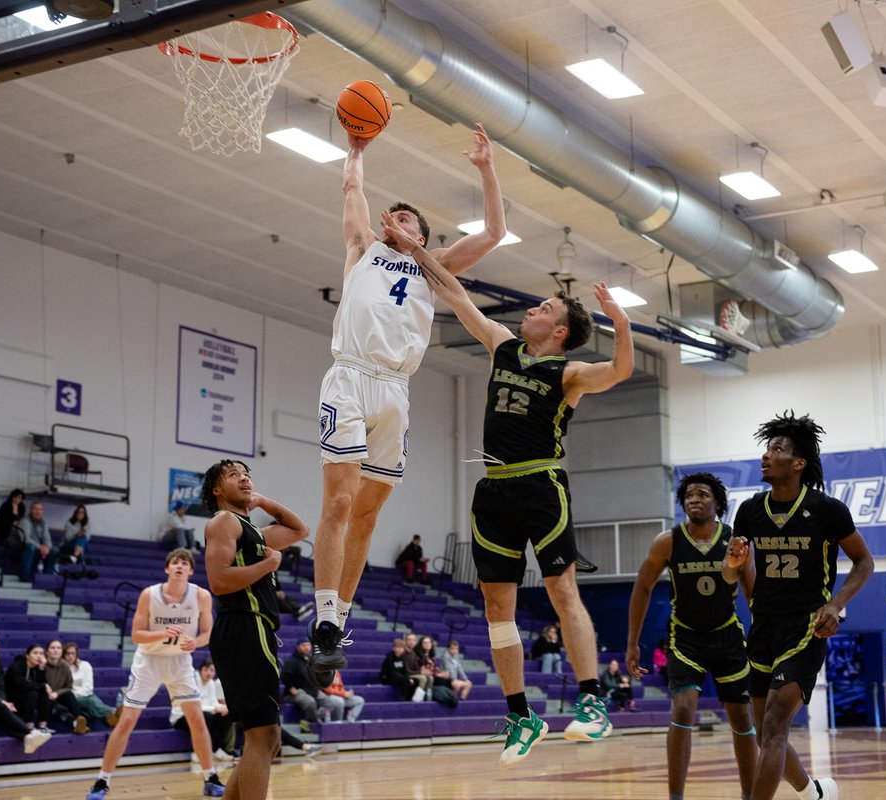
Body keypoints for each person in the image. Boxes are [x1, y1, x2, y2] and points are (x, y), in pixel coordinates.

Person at [382, 211, 635, 766]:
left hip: (541, 484)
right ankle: (522, 715)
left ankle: (593, 703)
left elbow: (619, 371)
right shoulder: (501, 345)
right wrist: (414, 248)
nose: (533, 310)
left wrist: (620, 322)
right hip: (493, 489)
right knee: (496, 605)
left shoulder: (569, 374)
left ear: (560, 331)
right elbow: (453, 292)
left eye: (544, 308)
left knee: (562, 590)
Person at [308, 123, 505, 684]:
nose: (397, 221)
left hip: (396, 390)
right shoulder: (362, 247)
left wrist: (487, 169)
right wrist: (355, 149)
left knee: (368, 515)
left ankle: (338, 624)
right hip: (350, 378)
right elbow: (352, 191)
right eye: (392, 216)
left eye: (408, 219)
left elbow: (494, 232)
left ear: (420, 234)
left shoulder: (431, 265)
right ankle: (323, 619)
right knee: (340, 501)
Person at [724, 411, 876, 800]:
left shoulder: (827, 509)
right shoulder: (750, 511)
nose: (766, 455)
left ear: (798, 463)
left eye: (777, 449)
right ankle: (814, 793)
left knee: (776, 725)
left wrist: (836, 605)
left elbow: (864, 562)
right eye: (767, 448)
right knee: (765, 734)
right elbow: (734, 572)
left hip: (806, 627)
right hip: (763, 627)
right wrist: (734, 567)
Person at [625, 472, 757, 800]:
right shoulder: (667, 542)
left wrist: (765, 636)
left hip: (727, 635)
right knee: (683, 708)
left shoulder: (734, 541)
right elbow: (642, 587)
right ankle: (676, 797)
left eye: (702, 494)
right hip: (685, 638)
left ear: (718, 503)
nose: (694, 499)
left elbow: (753, 592)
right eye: (689, 495)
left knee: (742, 715)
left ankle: (750, 794)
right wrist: (632, 642)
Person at [201, 458, 311, 800]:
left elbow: (299, 530)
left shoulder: (254, 533)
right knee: (263, 736)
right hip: (244, 626)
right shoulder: (224, 521)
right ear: (217, 490)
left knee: (267, 739)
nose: (244, 479)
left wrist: (261, 501)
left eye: (247, 475)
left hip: (254, 629)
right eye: (234, 475)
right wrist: (268, 565)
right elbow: (219, 581)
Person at [84, 548, 224, 800]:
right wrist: (162, 633)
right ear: (167, 568)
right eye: (175, 562)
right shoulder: (149, 594)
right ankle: (102, 780)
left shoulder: (202, 596)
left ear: (191, 571)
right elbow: (136, 635)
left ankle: (210, 777)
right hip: (149, 661)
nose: (179, 566)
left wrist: (196, 642)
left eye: (184, 563)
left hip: (180, 661)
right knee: (127, 720)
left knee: (197, 718)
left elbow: (207, 633)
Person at [170, 658, 235, 763]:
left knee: (225, 715)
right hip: (181, 717)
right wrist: (214, 708)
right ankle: (198, 752)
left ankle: (215, 749)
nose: (209, 673)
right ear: (201, 670)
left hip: (201, 714)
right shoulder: (192, 680)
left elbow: (213, 702)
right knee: (206, 716)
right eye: (206, 669)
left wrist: (224, 707)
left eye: (212, 670)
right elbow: (194, 706)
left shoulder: (211, 683)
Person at [63, 642, 118, 726]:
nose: (70, 656)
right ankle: (113, 713)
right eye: (68, 653)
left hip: (85, 696)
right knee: (91, 701)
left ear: (77, 654)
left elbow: (88, 688)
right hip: (71, 699)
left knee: (90, 703)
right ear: (63, 655)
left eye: (73, 653)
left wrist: (76, 693)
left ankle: (110, 718)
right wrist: (73, 695)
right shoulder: (61, 669)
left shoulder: (85, 665)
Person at [282, 637, 331, 728]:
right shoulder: (292, 661)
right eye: (304, 645)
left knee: (329, 703)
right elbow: (285, 676)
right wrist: (291, 688)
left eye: (308, 645)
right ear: (298, 647)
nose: (306, 648)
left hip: (312, 690)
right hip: (297, 692)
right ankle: (314, 724)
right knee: (310, 702)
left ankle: (310, 721)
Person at [44, 638, 89, 733]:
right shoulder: (42, 664)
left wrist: (57, 693)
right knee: (53, 705)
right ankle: (74, 724)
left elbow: (69, 686)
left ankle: (79, 721)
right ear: (47, 652)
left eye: (58, 648)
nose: (56, 650)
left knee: (69, 695)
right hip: (44, 696)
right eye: (52, 648)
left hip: (57, 695)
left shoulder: (64, 666)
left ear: (61, 651)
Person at [19, 501, 57, 578]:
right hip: (24, 548)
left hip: (38, 549)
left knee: (54, 550)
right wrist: (40, 547)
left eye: (40, 509)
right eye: (35, 509)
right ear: (30, 510)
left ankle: (47, 576)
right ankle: (25, 575)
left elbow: (47, 538)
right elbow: (26, 539)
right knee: (30, 547)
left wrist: (47, 548)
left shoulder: (43, 522)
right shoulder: (25, 521)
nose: (38, 512)